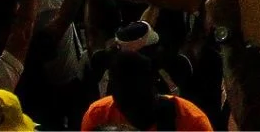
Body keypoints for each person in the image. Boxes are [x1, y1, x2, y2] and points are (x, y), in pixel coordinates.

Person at [79, 49, 211, 131]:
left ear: (154, 86)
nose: (133, 114)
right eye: (125, 106)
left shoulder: (193, 123)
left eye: (139, 101)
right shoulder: (97, 116)